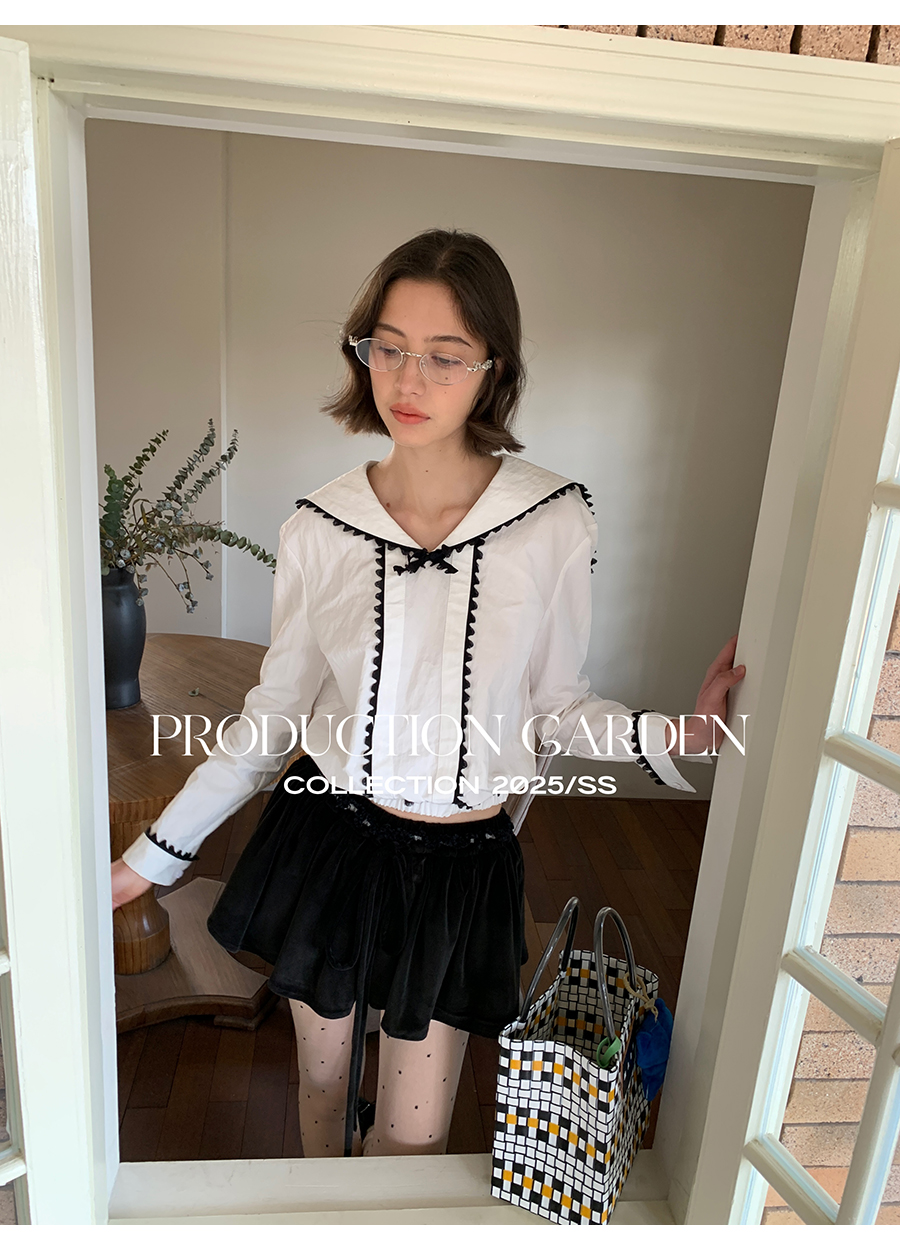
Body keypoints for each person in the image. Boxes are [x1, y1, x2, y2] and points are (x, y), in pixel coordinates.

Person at [110, 228, 745, 1161]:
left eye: (446, 355)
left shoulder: (552, 519)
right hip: (328, 838)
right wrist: (148, 862)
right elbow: (271, 721)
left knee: (413, 1136)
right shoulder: (321, 525)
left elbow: (556, 705)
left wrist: (679, 734)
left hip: (459, 869)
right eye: (389, 348)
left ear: (494, 369)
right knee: (323, 1089)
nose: (409, 380)